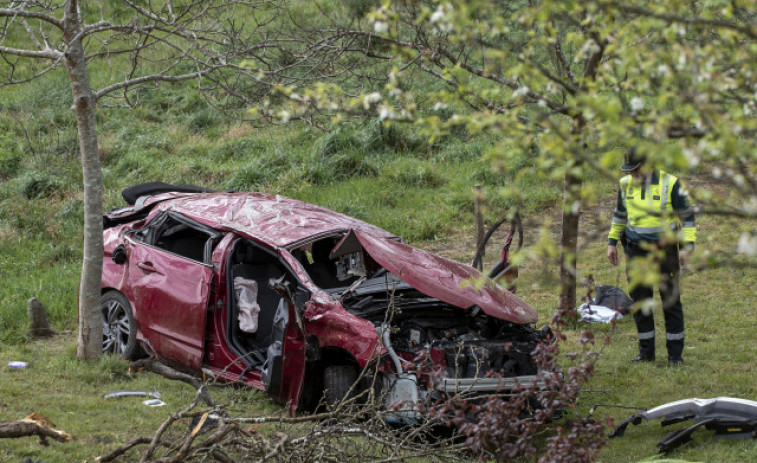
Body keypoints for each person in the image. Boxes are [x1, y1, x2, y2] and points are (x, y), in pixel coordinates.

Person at [607, 148, 696, 366]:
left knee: (670, 302)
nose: (633, 175)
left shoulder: (671, 183)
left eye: (637, 170)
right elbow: (620, 215)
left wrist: (687, 246)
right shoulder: (625, 184)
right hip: (635, 251)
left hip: (664, 253)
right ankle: (646, 353)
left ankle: (675, 356)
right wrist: (611, 242)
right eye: (630, 171)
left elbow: (687, 217)